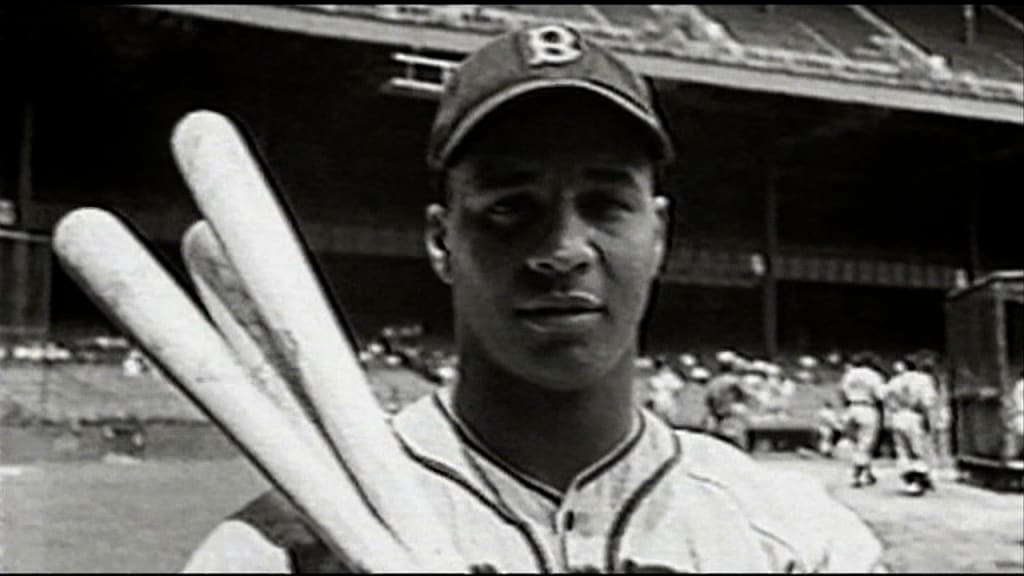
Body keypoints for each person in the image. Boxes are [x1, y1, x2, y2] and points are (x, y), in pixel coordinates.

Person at [183, 24, 883, 572]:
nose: (561, 251)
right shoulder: (286, 549)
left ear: (660, 234)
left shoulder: (794, 540)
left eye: (605, 203)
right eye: (510, 208)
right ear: (440, 241)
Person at [884, 354, 939, 495]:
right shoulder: (923, 380)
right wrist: (928, 419)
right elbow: (927, 401)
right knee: (918, 449)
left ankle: (909, 479)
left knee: (902, 450)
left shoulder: (894, 381)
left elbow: (886, 399)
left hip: (898, 415)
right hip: (915, 415)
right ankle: (919, 480)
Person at [838, 352, 887, 488]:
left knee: (856, 444)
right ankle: (857, 476)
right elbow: (880, 395)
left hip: (851, 408)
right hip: (867, 408)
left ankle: (868, 472)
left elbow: (841, 393)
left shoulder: (849, 374)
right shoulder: (873, 375)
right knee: (865, 444)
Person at [703, 350, 753, 450]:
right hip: (732, 419)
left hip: (715, 421)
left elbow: (708, 401)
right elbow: (749, 395)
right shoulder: (735, 381)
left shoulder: (713, 382)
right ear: (732, 366)